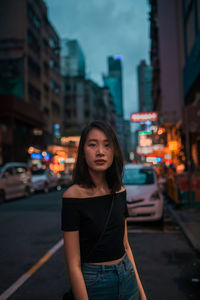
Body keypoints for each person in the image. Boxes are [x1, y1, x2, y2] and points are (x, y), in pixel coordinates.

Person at [62, 120, 146, 300]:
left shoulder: (120, 191)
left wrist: (142, 294)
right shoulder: (72, 196)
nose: (100, 151)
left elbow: (126, 246)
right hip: (95, 282)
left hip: (127, 276)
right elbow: (73, 264)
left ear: (114, 151)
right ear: (83, 152)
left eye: (107, 145)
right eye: (92, 145)